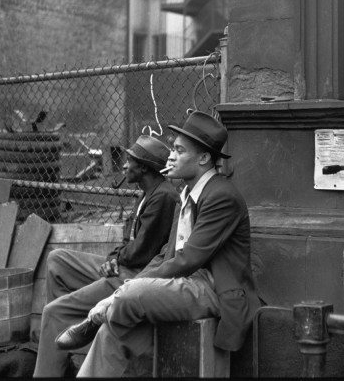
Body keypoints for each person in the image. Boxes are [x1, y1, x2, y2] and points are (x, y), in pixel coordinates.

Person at [54, 111, 261, 377]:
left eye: (179, 150)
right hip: (185, 283)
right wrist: (135, 281)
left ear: (203, 158)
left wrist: (129, 289)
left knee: (131, 297)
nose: (170, 156)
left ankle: (99, 314)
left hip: (213, 289)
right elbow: (167, 254)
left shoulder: (221, 196)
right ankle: (103, 318)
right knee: (114, 328)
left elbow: (189, 260)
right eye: (172, 149)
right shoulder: (186, 192)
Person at [32, 135, 178, 377]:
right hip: (124, 265)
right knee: (57, 260)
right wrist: (113, 257)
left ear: (143, 167)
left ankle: (53, 360)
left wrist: (117, 260)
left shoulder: (163, 197)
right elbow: (127, 242)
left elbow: (141, 252)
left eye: (129, 161)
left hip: (134, 276)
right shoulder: (146, 193)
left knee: (53, 312)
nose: (123, 165)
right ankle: (65, 351)